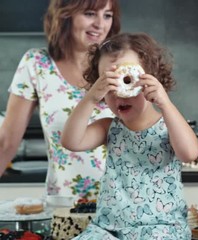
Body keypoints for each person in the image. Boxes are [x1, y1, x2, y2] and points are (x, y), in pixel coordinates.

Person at [61, 32, 198, 239]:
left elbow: (189, 153)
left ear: (153, 80)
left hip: (161, 228)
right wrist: (90, 99)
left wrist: (165, 103)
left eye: (126, 81)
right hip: (108, 229)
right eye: (108, 85)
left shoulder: (169, 124)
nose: (117, 93)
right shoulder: (109, 128)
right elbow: (71, 141)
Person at [0, 0, 121, 199]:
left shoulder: (119, 64)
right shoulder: (37, 63)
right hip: (64, 204)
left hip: (120, 203)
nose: (100, 24)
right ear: (66, 15)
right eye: (90, 13)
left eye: (107, 15)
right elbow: (6, 143)